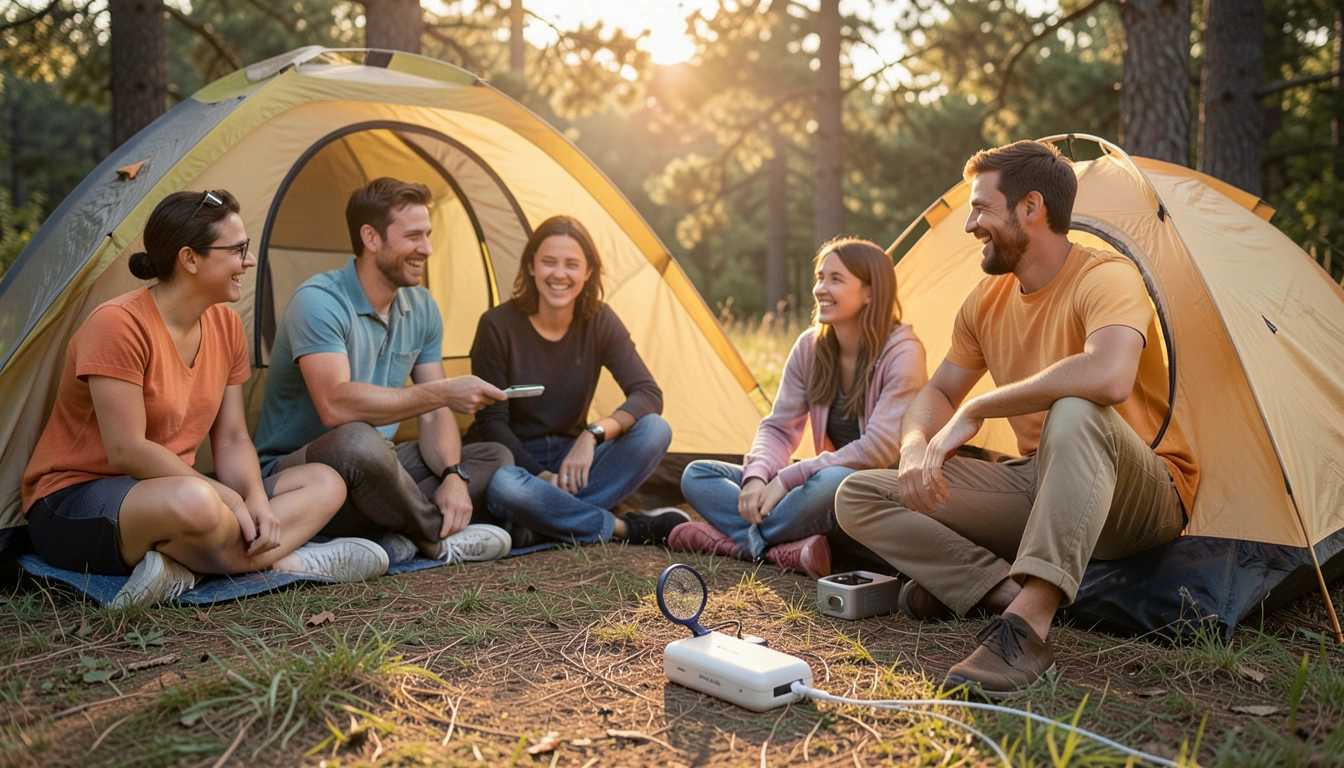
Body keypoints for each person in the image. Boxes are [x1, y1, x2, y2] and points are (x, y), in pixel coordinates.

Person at [835, 141, 1199, 699]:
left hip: (1140, 494)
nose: (970, 225)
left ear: (1031, 207)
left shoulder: (1106, 276)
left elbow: (1109, 377)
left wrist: (980, 406)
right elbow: (937, 391)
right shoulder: (986, 301)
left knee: (1076, 410)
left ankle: (1025, 630)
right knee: (857, 494)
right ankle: (1003, 591)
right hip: (1041, 483)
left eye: (981, 208)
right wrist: (913, 448)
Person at [21, 190, 388, 609]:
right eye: (238, 250)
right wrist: (229, 500)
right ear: (190, 259)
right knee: (195, 501)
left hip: (180, 493)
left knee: (326, 481)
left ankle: (185, 568)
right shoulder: (117, 324)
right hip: (74, 502)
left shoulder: (226, 326)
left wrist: (252, 497)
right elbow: (127, 449)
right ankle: (291, 559)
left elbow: (231, 439)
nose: (248, 262)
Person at [253, 178, 515, 564]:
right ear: (371, 238)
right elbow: (335, 406)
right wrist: (443, 392)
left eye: (427, 235)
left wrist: (454, 476)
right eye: (413, 236)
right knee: (357, 441)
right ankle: (433, 538)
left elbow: (435, 412)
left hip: (380, 471)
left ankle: (387, 533)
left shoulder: (421, 306)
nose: (426, 248)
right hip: (301, 477)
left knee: (494, 455)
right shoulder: (318, 301)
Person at [674, 238, 927, 578]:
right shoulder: (810, 347)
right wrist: (756, 478)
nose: (821, 288)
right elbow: (779, 427)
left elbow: (879, 449)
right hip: (820, 490)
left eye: (836, 279)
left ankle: (739, 545)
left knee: (833, 480)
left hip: (875, 494)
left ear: (870, 292)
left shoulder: (903, 353)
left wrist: (789, 479)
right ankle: (784, 549)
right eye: (820, 277)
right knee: (698, 475)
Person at [469, 215, 686, 546]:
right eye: (548, 262)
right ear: (530, 266)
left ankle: (541, 522)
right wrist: (543, 479)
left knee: (656, 428)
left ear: (587, 273)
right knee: (504, 486)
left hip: (575, 460)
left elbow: (647, 393)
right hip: (514, 461)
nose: (560, 274)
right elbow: (491, 424)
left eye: (572, 264)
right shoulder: (496, 326)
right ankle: (624, 528)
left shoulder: (600, 320)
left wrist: (592, 434)